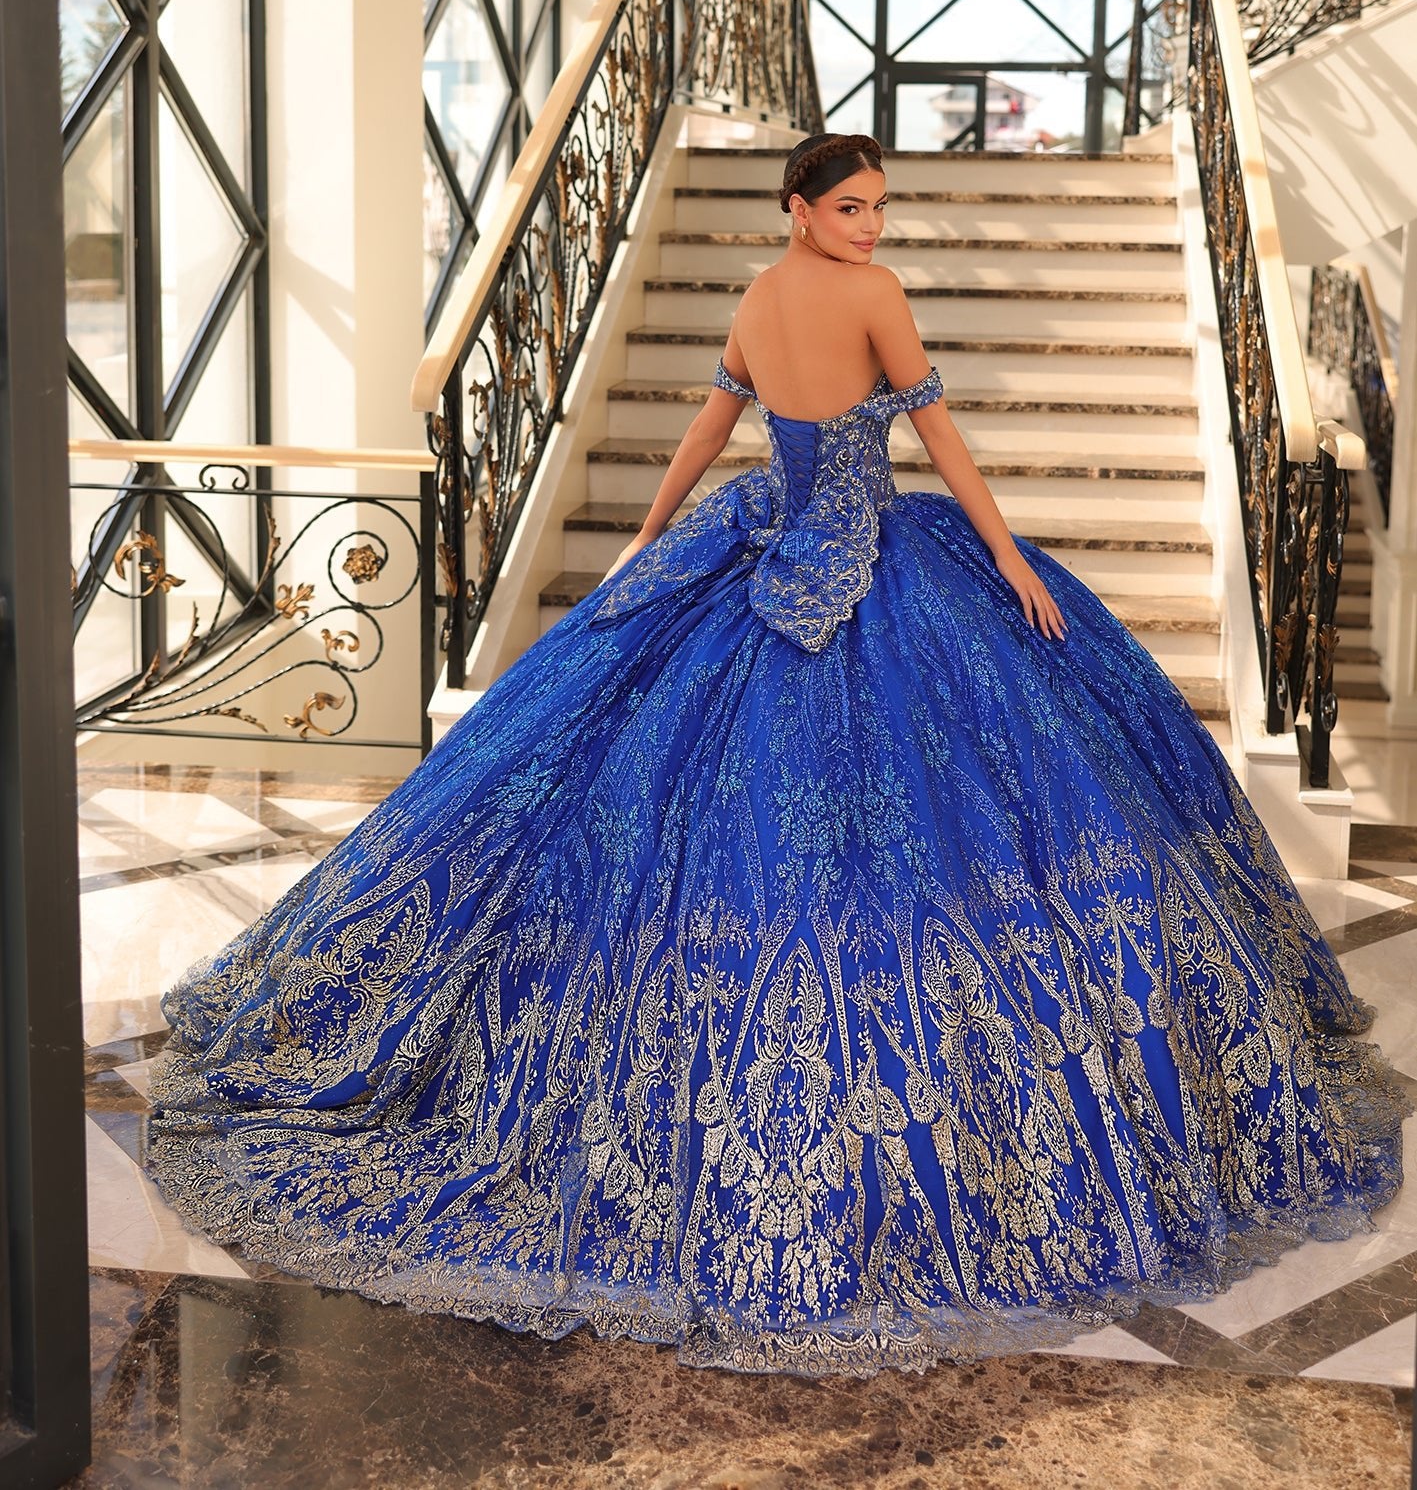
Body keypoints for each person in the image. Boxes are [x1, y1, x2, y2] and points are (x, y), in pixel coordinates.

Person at [144, 130, 1410, 1377]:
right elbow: (938, 443)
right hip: (869, 551)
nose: (874, 227)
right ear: (801, 208)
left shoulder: (763, 295)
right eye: (854, 207)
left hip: (761, 541)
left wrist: (651, 542)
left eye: (878, 210)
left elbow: (711, 434)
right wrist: (1011, 559)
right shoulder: (870, 297)